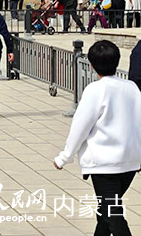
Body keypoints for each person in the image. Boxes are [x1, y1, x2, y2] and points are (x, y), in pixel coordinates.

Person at [54, 40, 141, 236]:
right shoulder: (132, 88)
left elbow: (80, 127)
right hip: (129, 162)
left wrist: (65, 157)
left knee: (112, 213)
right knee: (106, 212)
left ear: (91, 65)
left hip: (104, 164)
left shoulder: (95, 90)